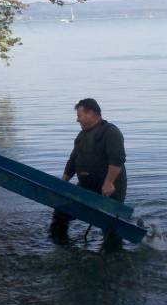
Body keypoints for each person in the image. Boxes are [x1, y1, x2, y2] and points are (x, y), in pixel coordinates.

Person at [49, 98, 128, 249]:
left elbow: (117, 159)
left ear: (91, 113)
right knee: (61, 212)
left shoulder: (110, 132)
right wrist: (63, 182)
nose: (77, 119)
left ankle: (114, 257)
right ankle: (60, 246)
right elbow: (72, 161)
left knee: (109, 226)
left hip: (109, 189)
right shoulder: (81, 136)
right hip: (85, 188)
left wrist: (109, 182)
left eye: (79, 115)